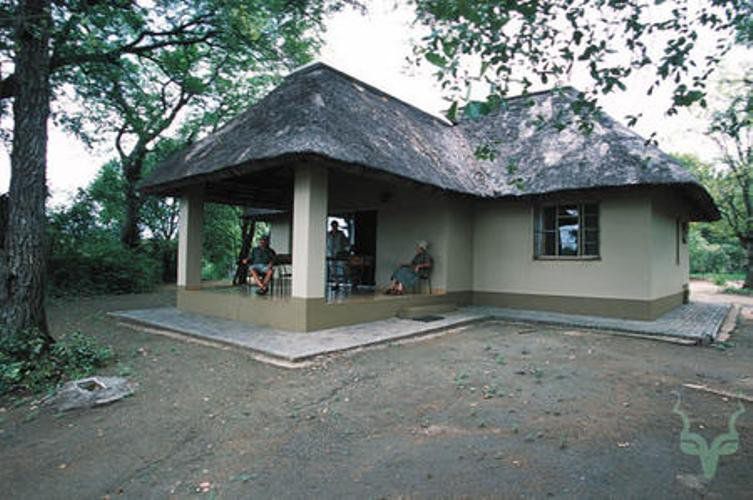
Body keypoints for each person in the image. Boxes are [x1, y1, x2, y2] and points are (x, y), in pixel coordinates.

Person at [326, 220, 350, 288]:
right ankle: (336, 283)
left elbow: (346, 243)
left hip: (339, 254)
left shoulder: (341, 234)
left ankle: (346, 280)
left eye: (335, 225)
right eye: (333, 226)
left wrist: (345, 251)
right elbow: (327, 243)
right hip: (331, 254)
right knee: (332, 269)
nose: (334, 227)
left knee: (343, 266)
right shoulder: (329, 234)